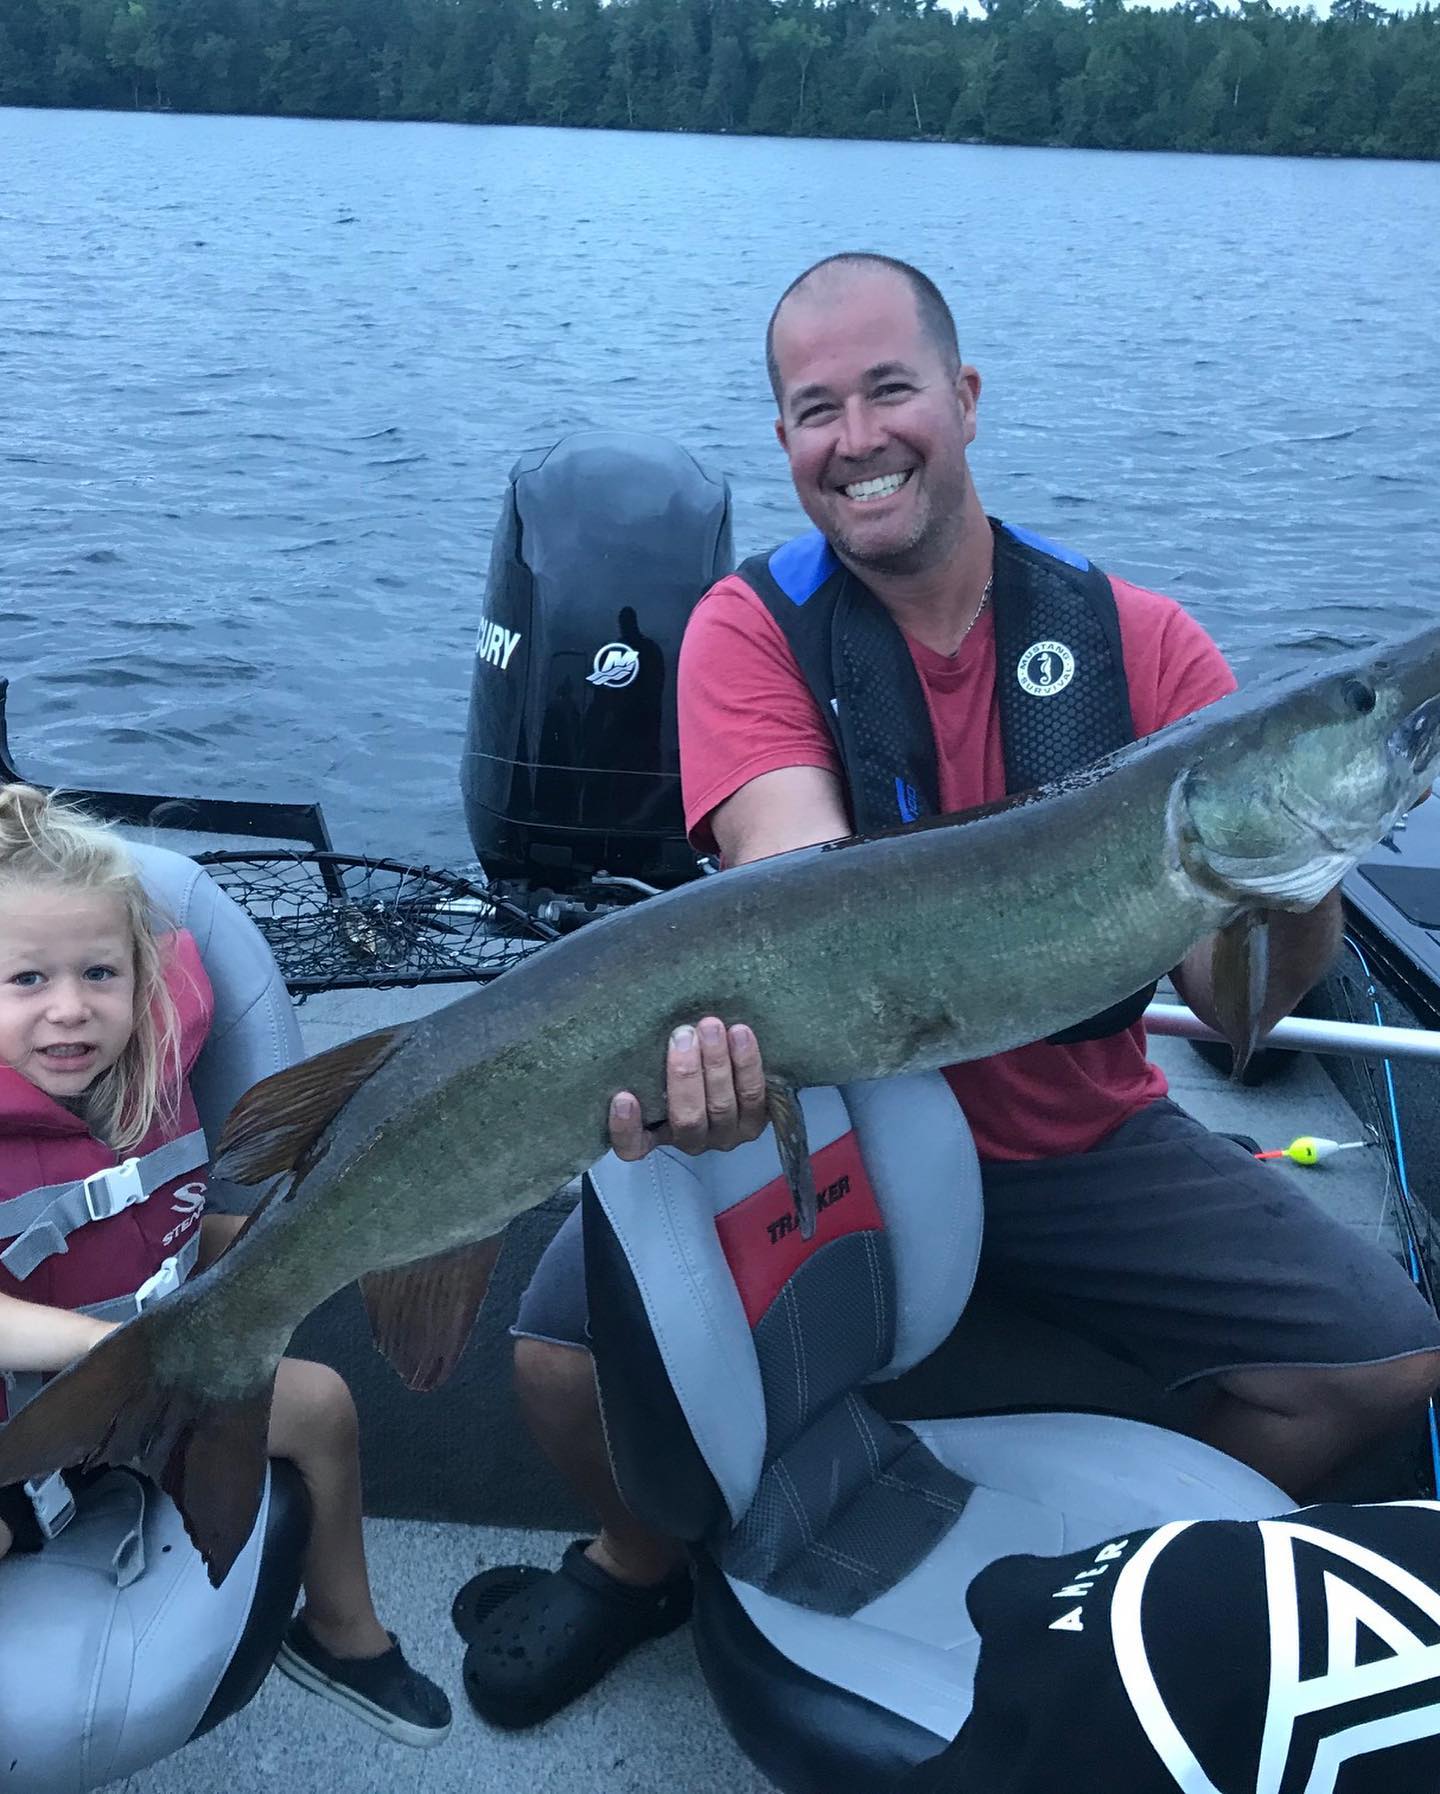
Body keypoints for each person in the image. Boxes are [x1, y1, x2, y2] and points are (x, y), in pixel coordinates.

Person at [459, 252, 1440, 1727]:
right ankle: (654, 1551)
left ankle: (1112, 1596)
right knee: (551, 1363)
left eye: (890, 388)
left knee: (1383, 1360)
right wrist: (724, 1058)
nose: (857, 436)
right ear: (783, 438)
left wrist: (1293, 885)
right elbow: (808, 908)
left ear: (965, 398)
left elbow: (1237, 1011)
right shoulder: (750, 625)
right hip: (843, 1124)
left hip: (1081, 1136)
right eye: (814, 407)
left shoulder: (1151, 645)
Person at [0, 783, 451, 1748]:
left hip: (159, 1384)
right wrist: (112, 1349)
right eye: (26, 982)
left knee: (323, 1406)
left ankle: (343, 1635)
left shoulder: (163, 1072)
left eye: (99, 974)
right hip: (19, 1423)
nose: (70, 1010)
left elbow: (213, 1233)